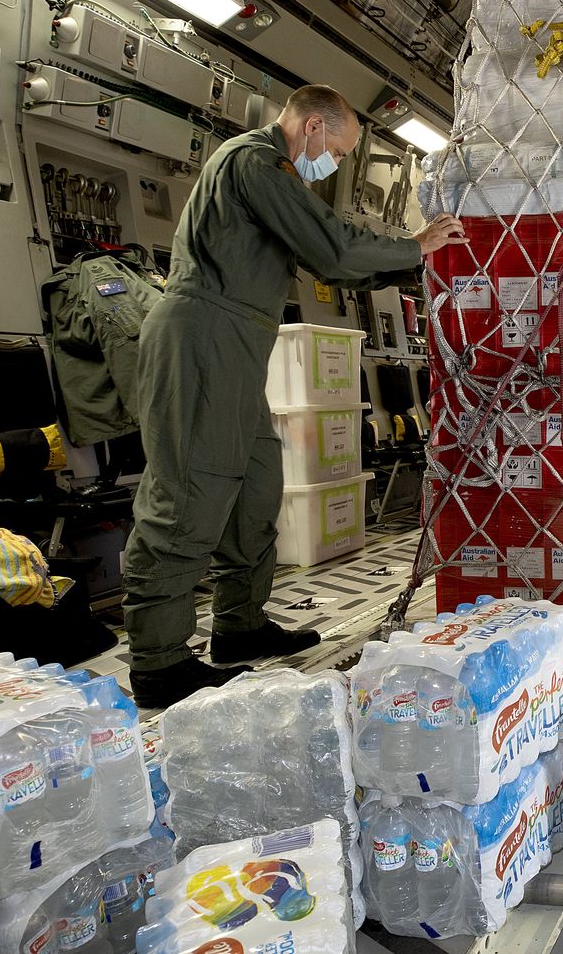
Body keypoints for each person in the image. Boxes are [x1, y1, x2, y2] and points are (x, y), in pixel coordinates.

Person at [123, 85, 466, 708]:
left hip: (237, 341)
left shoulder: (270, 175)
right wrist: (414, 245)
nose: (331, 164)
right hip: (204, 333)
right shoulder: (255, 162)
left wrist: (416, 261)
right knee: (191, 490)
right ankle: (158, 660)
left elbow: (332, 266)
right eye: (336, 150)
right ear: (311, 127)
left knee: (256, 484)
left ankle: (239, 625)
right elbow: (330, 244)